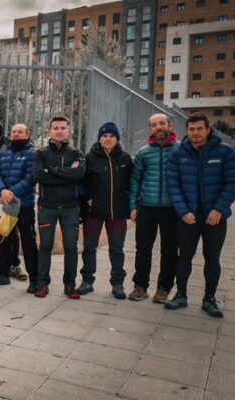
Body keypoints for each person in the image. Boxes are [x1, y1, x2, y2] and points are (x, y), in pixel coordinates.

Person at [165, 113, 235, 318]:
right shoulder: (178, 153)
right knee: (184, 256)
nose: (196, 133)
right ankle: (180, 294)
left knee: (212, 258)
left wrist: (219, 209)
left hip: (215, 217)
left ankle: (209, 298)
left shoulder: (225, 152)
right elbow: (173, 185)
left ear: (208, 129)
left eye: (200, 128)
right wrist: (182, 211)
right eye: (191, 129)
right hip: (188, 216)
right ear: (186, 131)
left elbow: (233, 183)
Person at [126, 113, 180, 303]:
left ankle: (164, 288)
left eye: (162, 123)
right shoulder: (143, 152)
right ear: (150, 129)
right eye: (154, 125)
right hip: (146, 208)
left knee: (170, 250)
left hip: (172, 209)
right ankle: (140, 286)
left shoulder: (181, 150)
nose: (159, 127)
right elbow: (135, 180)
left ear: (170, 126)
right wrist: (133, 206)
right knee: (143, 249)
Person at [77, 122, 133, 299]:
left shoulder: (125, 159)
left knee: (117, 249)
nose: (108, 139)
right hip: (93, 213)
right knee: (89, 247)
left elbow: (132, 184)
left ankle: (117, 284)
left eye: (112, 136)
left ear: (117, 139)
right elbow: (81, 186)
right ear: (99, 139)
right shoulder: (89, 158)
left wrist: (131, 207)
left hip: (117, 213)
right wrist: (87, 203)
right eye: (104, 136)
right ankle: (87, 281)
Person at [32, 116, 85, 299]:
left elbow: (79, 173)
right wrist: (68, 173)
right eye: (56, 128)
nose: (60, 131)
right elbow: (39, 176)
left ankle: (70, 284)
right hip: (46, 207)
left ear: (68, 130)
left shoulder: (77, 153)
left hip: (70, 208)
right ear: (50, 131)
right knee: (45, 245)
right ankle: (42, 283)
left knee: (71, 247)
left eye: (63, 127)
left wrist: (52, 170)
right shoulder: (41, 153)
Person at [0, 123, 37, 291]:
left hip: (24, 205)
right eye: (14, 131)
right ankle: (2, 274)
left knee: (28, 242)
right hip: (6, 204)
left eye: (20, 132)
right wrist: (2, 190)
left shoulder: (32, 153)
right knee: (3, 239)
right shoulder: (3, 152)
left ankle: (34, 279)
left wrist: (11, 193)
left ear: (27, 134)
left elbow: (31, 178)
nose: (16, 134)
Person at [0, 117, 25, 281]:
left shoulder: (9, 145)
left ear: (1, 130)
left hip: (6, 195)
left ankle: (14, 264)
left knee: (10, 231)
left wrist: (4, 192)